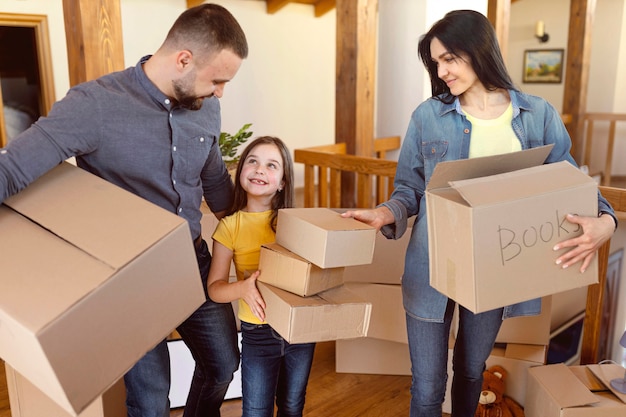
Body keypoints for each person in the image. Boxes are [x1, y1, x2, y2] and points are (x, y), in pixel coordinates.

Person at [341, 10, 618, 417]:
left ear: (479, 49)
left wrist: (606, 222)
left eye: (449, 58)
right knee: (428, 385)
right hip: (431, 264)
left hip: (495, 267)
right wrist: (386, 213)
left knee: (471, 370)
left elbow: (571, 184)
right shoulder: (428, 117)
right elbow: (410, 189)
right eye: (436, 62)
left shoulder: (537, 115)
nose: (442, 70)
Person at [0, 4, 248, 417]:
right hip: (130, 277)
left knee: (223, 364)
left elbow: (215, 178)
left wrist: (254, 226)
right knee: (150, 401)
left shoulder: (207, 108)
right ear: (183, 60)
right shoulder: (94, 105)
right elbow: (11, 170)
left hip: (192, 261)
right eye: (217, 80)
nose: (220, 92)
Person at [206, 136, 316, 417]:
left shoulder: (294, 225)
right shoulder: (230, 227)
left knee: (292, 406)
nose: (259, 169)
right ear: (241, 170)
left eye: (271, 165)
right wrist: (242, 288)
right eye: (252, 161)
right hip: (258, 333)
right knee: (256, 411)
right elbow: (215, 289)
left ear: (282, 182)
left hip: (299, 332)